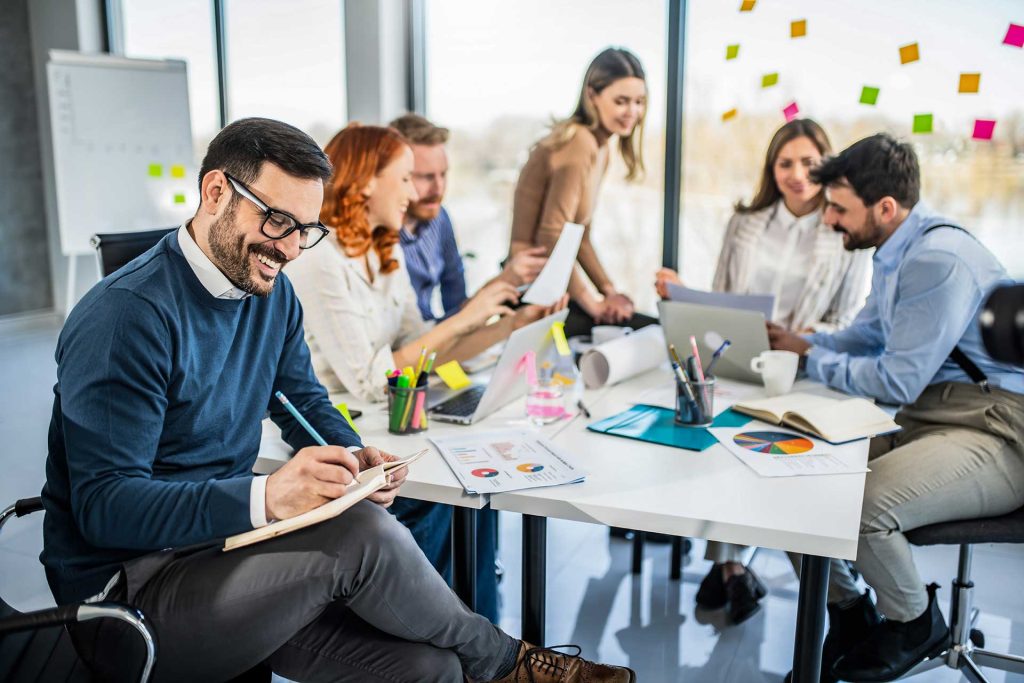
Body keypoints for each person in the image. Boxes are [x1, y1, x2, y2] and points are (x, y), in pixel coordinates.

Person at [41, 117, 630, 683]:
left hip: (219, 553)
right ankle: (506, 661)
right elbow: (107, 507)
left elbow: (301, 401)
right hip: (129, 595)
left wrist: (355, 454)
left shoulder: (268, 294)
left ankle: (485, 662)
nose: (292, 249)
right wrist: (267, 495)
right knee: (361, 538)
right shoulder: (125, 317)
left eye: (305, 230)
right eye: (277, 220)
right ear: (215, 191)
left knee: (431, 669)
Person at [286, 124, 568, 625]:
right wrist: (468, 314)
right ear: (368, 182)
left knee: (477, 502)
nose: (415, 193)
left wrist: (511, 323)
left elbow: (426, 354)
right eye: (406, 178)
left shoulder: (381, 248)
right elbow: (374, 378)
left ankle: (481, 631)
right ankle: (432, 628)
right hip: (342, 424)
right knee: (441, 498)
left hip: (385, 416)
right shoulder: (319, 261)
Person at [769, 133, 1024, 682]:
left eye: (839, 209)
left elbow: (896, 379)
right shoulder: (896, 251)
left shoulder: (937, 259)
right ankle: (848, 612)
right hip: (934, 417)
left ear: (885, 208)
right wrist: (804, 343)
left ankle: (914, 621)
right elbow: (866, 335)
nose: (829, 219)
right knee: (785, 478)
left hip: (996, 426)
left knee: (863, 508)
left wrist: (813, 362)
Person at [656, 119, 873, 626]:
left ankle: (729, 567)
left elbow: (848, 320)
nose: (798, 174)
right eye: (785, 163)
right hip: (736, 360)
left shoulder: (843, 228)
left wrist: (798, 338)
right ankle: (733, 567)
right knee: (717, 447)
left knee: (769, 458)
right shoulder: (745, 223)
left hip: (803, 369)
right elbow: (718, 298)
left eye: (809, 163)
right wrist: (684, 296)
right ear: (771, 169)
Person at [508, 47, 657, 338]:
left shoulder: (601, 147)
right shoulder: (580, 142)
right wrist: (593, 303)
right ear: (592, 96)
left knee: (640, 329)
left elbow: (580, 235)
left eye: (639, 102)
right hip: (530, 288)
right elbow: (551, 235)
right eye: (621, 101)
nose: (633, 112)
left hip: (552, 281)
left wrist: (608, 291)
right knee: (647, 333)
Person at [388, 112, 548, 322]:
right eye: (426, 177)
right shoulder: (379, 235)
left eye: (443, 174)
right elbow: (419, 339)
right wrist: (504, 280)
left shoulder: (439, 218)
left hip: (430, 344)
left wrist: (505, 285)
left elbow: (457, 309)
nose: (439, 188)